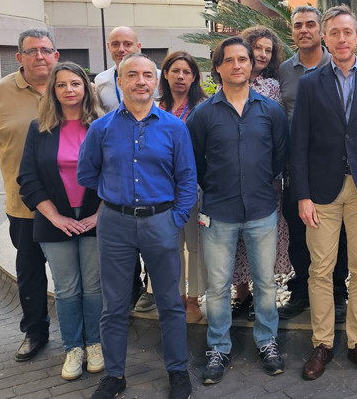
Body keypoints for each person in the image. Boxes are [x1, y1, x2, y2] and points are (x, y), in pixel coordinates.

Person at [78, 53, 196, 399]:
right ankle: (114, 375)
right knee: (114, 305)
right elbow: (86, 173)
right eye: (132, 75)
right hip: (115, 225)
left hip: (161, 222)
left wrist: (175, 219)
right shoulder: (101, 128)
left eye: (147, 75)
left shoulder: (174, 127)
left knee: (169, 302)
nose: (140, 81)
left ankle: (178, 371)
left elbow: (187, 179)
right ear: (119, 82)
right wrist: (114, 193)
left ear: (156, 82)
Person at [291, 5, 357, 381]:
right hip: (321, 191)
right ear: (325, 37)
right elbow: (299, 143)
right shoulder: (309, 84)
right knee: (320, 269)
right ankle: (322, 343)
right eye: (334, 32)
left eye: (347, 32)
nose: (341, 38)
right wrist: (302, 195)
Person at [187, 38, 289, 384]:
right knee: (218, 286)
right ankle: (218, 347)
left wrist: (260, 182)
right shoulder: (203, 114)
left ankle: (267, 341)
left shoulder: (270, 110)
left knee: (265, 283)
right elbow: (195, 163)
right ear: (217, 67)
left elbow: (279, 156)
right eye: (228, 60)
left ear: (251, 64)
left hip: (262, 209)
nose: (237, 65)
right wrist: (217, 186)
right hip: (218, 212)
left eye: (242, 59)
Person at [0, 28, 59, 362]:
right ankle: (35, 331)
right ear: (19, 57)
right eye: (32, 51)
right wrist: (13, 163)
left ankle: (83, 333)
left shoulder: (72, 86)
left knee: (74, 273)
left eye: (45, 50)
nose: (39, 56)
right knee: (30, 271)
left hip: (70, 206)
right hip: (24, 205)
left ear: (56, 55)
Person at [17, 62, 103, 381]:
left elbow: (117, 173)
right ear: (53, 90)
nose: (69, 90)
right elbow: (28, 177)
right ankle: (73, 348)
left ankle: (94, 344)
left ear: (86, 88)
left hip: (96, 218)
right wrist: (55, 216)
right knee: (67, 290)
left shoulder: (101, 126)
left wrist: (99, 215)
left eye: (75, 83)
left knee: (93, 288)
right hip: (54, 221)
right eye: (61, 84)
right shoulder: (39, 128)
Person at [276, 6, 349, 323]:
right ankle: (302, 290)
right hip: (296, 166)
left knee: (338, 233)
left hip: (333, 164)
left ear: (321, 30)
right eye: (297, 25)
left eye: (310, 24)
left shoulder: (339, 64)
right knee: (298, 231)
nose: (304, 30)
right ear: (292, 31)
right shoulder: (284, 71)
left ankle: (337, 291)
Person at [92, 25, 160, 313]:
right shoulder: (101, 82)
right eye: (115, 44)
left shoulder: (153, 77)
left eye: (127, 43)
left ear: (138, 46)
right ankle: (130, 289)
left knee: (152, 237)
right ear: (109, 47)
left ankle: (151, 289)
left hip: (151, 165)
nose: (121, 49)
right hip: (118, 166)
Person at [229, 26, 292, 321]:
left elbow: (280, 135)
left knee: (263, 238)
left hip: (265, 177)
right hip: (233, 177)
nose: (263, 54)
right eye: (258, 48)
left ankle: (262, 296)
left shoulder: (273, 88)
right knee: (237, 238)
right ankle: (241, 295)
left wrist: (276, 175)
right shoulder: (228, 83)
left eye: (269, 50)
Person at [158, 51, 208, 324]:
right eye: (175, 71)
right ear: (165, 74)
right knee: (170, 245)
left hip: (195, 186)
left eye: (186, 72)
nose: (180, 76)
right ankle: (176, 296)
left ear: (194, 77)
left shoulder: (203, 108)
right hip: (161, 189)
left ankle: (194, 298)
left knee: (196, 244)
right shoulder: (154, 107)